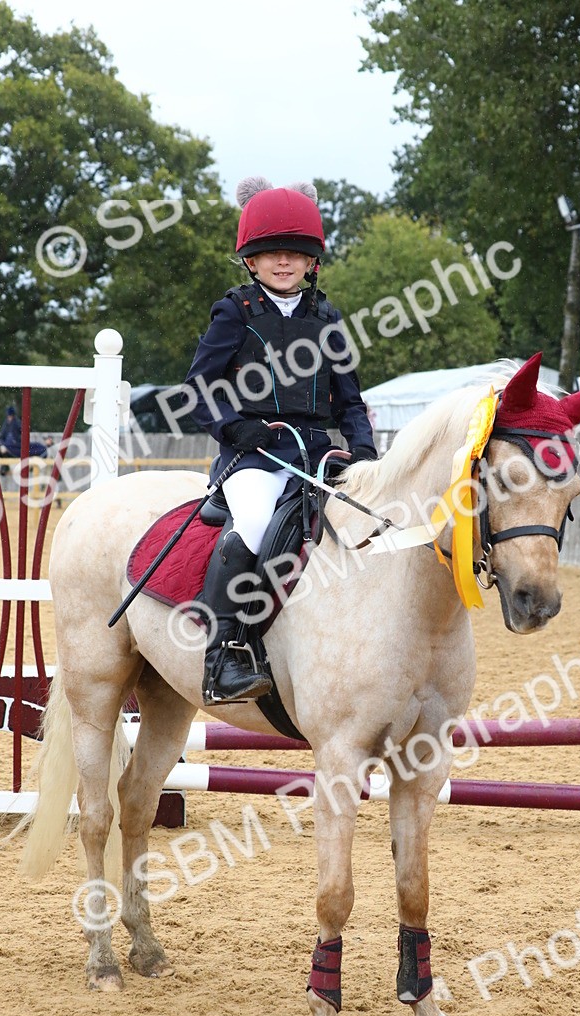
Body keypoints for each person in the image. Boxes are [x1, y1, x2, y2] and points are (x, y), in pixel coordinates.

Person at [184, 176, 378, 704]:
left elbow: (350, 400)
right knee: (252, 518)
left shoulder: (327, 317)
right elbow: (198, 386)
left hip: (318, 455)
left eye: (295, 253)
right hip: (254, 455)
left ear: (313, 260)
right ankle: (222, 655)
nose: (284, 262)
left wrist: (364, 453)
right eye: (271, 253)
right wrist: (234, 426)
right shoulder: (236, 313)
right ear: (251, 260)